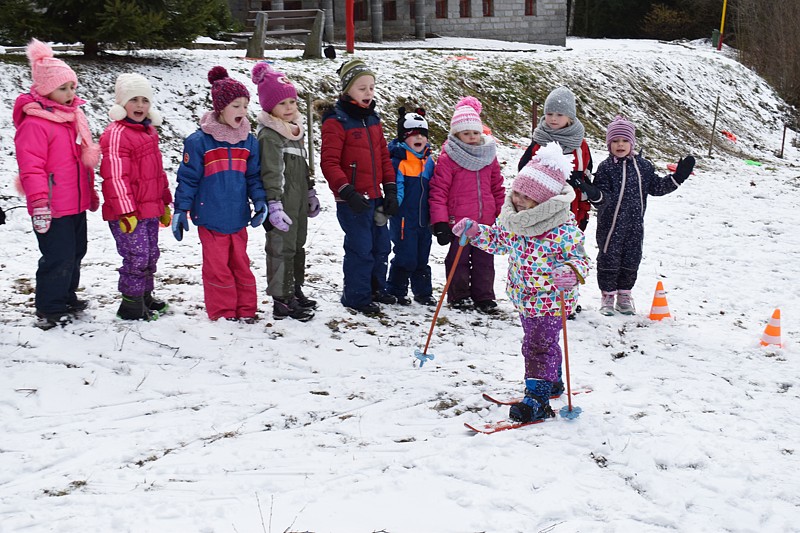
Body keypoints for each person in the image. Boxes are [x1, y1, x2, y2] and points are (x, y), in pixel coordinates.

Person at [451, 142, 590, 422]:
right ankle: (552, 382)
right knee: (544, 342)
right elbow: (499, 241)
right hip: (523, 296)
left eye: (526, 197)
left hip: (552, 299)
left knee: (537, 345)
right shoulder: (515, 222)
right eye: (516, 192)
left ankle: (536, 400)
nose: (517, 200)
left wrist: (570, 271)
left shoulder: (562, 228)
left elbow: (581, 260)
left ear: (544, 202)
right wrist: (476, 232)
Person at [13, 39, 100, 329]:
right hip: (51, 205)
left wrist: (90, 190)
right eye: (63, 88)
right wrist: (39, 202)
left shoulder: (70, 118)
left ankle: (66, 295)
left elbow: (78, 160)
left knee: (77, 251)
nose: (70, 93)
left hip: (74, 203)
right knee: (57, 256)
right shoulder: (35, 124)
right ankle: (49, 307)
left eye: (72, 87)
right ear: (45, 89)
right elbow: (31, 167)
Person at [172, 66, 267, 322]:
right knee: (217, 269)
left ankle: (246, 310)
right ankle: (224, 313)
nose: (243, 111)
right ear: (220, 108)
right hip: (210, 217)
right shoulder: (199, 142)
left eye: (246, 106)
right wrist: (181, 209)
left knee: (241, 266)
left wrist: (259, 201)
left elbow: (253, 177)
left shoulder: (249, 141)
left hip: (237, 217)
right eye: (236, 106)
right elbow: (188, 179)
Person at [582, 115, 695, 316]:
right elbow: (603, 197)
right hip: (610, 226)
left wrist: (679, 177)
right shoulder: (606, 168)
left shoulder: (644, 167)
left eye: (625, 140)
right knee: (609, 259)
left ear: (632, 143)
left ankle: (624, 295)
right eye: (615, 141)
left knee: (632, 259)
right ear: (609, 144)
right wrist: (593, 193)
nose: (620, 145)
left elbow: (657, 187)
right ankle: (608, 296)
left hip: (635, 225)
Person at [319, 58, 398, 315]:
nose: (368, 93)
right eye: (362, 88)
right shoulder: (336, 121)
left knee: (380, 246)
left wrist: (391, 190)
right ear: (347, 90)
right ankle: (356, 295)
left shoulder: (373, 119)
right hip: (352, 199)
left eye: (371, 87)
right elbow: (329, 163)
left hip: (374, 195)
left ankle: (376, 288)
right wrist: (346, 191)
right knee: (360, 247)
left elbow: (384, 157)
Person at [100, 73, 172, 321]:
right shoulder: (117, 133)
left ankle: (144, 295)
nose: (140, 106)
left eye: (145, 100)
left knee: (151, 253)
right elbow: (115, 176)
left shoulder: (148, 132)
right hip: (129, 213)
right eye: (134, 100)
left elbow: (157, 172)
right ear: (122, 104)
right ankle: (130, 305)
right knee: (136, 256)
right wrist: (126, 211)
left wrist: (164, 202)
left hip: (149, 208)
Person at [251, 61, 316, 322]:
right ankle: (281, 297)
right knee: (281, 246)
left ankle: (294, 288)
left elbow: (303, 166)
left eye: (292, 102)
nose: (289, 108)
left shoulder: (295, 132)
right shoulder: (270, 135)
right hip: (282, 201)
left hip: (298, 198)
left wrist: (310, 191)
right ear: (270, 107)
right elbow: (271, 171)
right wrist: (273, 203)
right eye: (282, 104)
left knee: (298, 245)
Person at [429, 96, 505, 314]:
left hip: (485, 221)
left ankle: (484, 296)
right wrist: (440, 222)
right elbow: (439, 191)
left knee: (484, 261)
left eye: (475, 132)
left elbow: (497, 188)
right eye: (466, 133)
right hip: (459, 222)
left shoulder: (489, 156)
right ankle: (459, 294)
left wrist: (501, 215)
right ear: (456, 135)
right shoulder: (449, 157)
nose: (472, 137)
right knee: (458, 260)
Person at [518, 86, 593, 232]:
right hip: (540, 213)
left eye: (559, 114)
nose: (553, 118)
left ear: (570, 117)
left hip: (570, 214)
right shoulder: (539, 141)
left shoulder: (580, 146)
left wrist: (584, 213)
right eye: (549, 113)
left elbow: (586, 181)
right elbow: (522, 176)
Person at [385, 106, 437, 306]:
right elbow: (397, 187)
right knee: (405, 255)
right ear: (403, 137)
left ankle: (423, 293)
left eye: (423, 134)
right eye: (413, 134)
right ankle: (396, 290)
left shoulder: (429, 161)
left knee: (422, 256)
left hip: (424, 218)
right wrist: (394, 205)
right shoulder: (400, 161)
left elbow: (435, 187)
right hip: (404, 218)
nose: (419, 138)